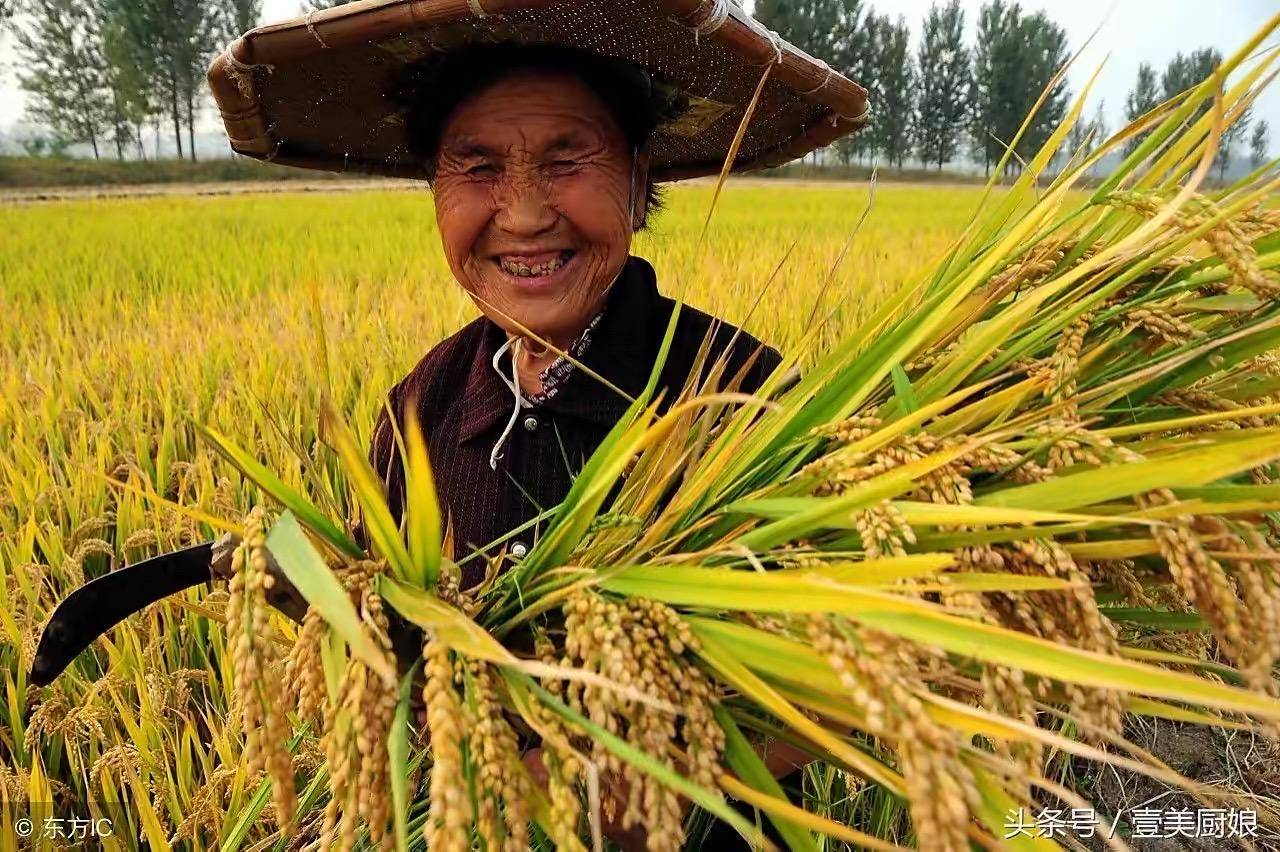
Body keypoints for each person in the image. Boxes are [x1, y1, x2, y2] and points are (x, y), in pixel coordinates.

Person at [208, 3, 869, 847]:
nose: (520, 215)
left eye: (568, 161)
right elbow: (407, 652)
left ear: (637, 182)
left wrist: (586, 788)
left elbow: (836, 690)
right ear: (435, 191)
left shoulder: (741, 399)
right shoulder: (420, 408)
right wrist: (327, 596)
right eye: (475, 167)